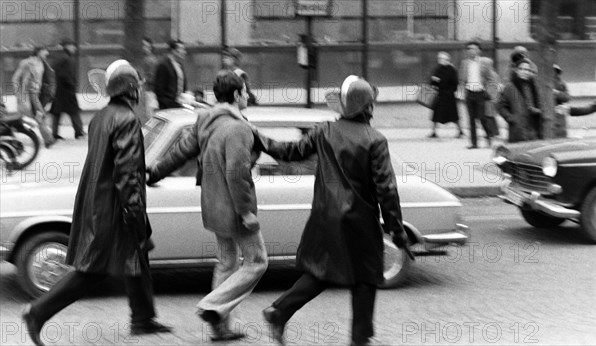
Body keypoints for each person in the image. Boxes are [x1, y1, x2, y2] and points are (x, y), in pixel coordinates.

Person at [22, 60, 172, 346]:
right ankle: (37, 312)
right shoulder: (127, 120)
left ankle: (142, 318)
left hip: (99, 202)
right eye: (138, 87)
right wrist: (134, 214)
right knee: (92, 271)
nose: (141, 91)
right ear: (132, 91)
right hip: (115, 208)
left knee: (138, 255)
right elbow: (127, 176)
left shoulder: (101, 117)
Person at [257, 75, 411, 346]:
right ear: (368, 107)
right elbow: (386, 189)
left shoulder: (324, 130)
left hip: (324, 216)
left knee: (321, 272)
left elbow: (291, 152)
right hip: (358, 221)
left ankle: (279, 311)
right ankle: (360, 338)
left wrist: (260, 140)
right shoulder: (375, 140)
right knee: (365, 277)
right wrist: (396, 231)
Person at [147, 70, 267, 341]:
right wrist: (246, 211)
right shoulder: (238, 126)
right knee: (257, 261)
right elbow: (238, 173)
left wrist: (155, 172)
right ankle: (212, 305)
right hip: (235, 207)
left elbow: (182, 151)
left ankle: (220, 327)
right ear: (237, 95)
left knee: (227, 262)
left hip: (212, 204)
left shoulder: (205, 119)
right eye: (246, 92)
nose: (248, 96)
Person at [459, 41, 501, 149]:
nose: (471, 51)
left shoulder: (484, 62)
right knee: (471, 119)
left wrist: (490, 91)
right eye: (469, 49)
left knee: (482, 118)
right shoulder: (464, 63)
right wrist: (462, 92)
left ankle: (488, 136)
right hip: (469, 93)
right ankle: (474, 143)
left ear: (478, 50)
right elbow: (462, 79)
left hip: (481, 93)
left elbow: (491, 78)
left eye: (473, 48)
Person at [11, 46, 55, 147]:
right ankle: (48, 139)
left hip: (38, 93)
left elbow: (46, 77)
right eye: (45, 51)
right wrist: (18, 93)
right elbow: (15, 78)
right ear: (39, 52)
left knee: (39, 115)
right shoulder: (27, 63)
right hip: (27, 93)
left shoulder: (43, 63)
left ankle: (48, 139)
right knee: (36, 115)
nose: (47, 53)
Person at [497, 58, 542, 143]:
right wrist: (511, 118)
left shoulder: (534, 87)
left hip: (534, 128)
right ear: (516, 71)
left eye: (527, 70)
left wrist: (538, 111)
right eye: (521, 69)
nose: (525, 72)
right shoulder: (510, 87)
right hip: (518, 129)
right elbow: (500, 106)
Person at [50, 40, 85, 140]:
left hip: (60, 90)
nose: (74, 48)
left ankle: (54, 133)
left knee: (57, 113)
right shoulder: (66, 59)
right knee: (74, 111)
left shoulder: (60, 58)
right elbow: (64, 74)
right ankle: (79, 132)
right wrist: (72, 84)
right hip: (67, 90)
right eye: (72, 46)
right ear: (67, 46)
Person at [428, 51, 463, 138]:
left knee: (453, 115)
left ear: (447, 59)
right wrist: (434, 81)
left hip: (449, 96)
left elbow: (454, 83)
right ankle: (434, 131)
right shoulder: (437, 68)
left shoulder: (451, 70)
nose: (441, 60)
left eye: (443, 58)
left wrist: (440, 81)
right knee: (436, 115)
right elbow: (432, 81)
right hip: (439, 95)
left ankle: (460, 130)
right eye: (439, 58)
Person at [154, 39, 187, 109]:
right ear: (173, 51)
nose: (184, 52)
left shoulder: (180, 66)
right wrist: (166, 103)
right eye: (182, 49)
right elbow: (159, 89)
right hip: (168, 107)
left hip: (180, 104)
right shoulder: (163, 65)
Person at [140, 37, 158, 121]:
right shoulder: (145, 59)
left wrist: (143, 80)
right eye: (143, 45)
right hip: (148, 92)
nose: (144, 48)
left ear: (150, 47)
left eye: (145, 45)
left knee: (151, 116)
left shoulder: (152, 60)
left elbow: (152, 78)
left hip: (152, 93)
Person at [551, 64, 571, 138]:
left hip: (559, 111)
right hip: (547, 112)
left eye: (555, 71)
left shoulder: (561, 83)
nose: (553, 73)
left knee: (561, 133)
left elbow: (567, 97)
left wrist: (557, 92)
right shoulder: (542, 82)